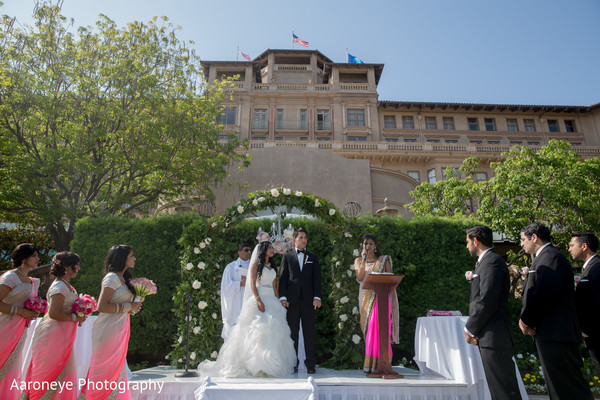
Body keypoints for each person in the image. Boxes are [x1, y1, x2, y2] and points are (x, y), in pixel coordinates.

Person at [198, 241, 295, 377]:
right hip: (260, 299)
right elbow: (252, 284)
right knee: (258, 332)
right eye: (270, 248)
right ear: (264, 250)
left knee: (274, 333)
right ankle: (255, 365)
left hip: (272, 300)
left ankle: (270, 366)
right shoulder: (255, 264)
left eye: (273, 248)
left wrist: (279, 300)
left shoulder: (272, 266)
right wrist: (258, 300)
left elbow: (274, 287)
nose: (273, 250)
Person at [519, 223, 592, 400]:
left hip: (558, 335)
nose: (521, 244)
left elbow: (542, 295)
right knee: (558, 387)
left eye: (523, 240)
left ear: (534, 238)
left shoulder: (551, 258)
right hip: (551, 334)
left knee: (569, 388)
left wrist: (526, 321)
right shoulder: (544, 257)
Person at [463, 226, 521, 399]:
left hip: (495, 336)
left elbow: (487, 300)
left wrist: (470, 329)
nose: (467, 247)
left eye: (467, 242)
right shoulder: (486, 262)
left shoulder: (492, 262)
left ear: (476, 241)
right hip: (490, 336)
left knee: (504, 390)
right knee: (497, 390)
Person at [78, 245, 142, 400]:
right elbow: (102, 306)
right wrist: (128, 306)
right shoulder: (111, 278)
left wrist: (132, 307)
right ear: (123, 258)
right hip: (107, 330)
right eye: (131, 256)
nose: (134, 258)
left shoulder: (123, 278)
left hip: (119, 329)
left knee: (115, 369)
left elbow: (120, 305)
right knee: (104, 369)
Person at [22, 251, 87, 400]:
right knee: (49, 374)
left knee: (65, 374)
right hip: (52, 337)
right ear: (65, 266)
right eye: (75, 265)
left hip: (62, 337)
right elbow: (54, 313)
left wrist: (81, 313)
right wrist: (75, 317)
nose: (78, 268)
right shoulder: (59, 286)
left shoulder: (65, 285)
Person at [353, 234, 399, 374]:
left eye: (371, 243)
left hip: (382, 299)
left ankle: (384, 364)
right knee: (370, 330)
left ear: (376, 246)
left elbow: (390, 280)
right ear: (362, 246)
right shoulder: (358, 260)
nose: (368, 246)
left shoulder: (384, 260)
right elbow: (360, 277)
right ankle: (371, 365)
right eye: (365, 244)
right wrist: (363, 260)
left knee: (381, 328)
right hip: (366, 299)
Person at [0, 243, 41, 400]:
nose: (37, 258)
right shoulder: (10, 277)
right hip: (4, 328)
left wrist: (33, 310)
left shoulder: (31, 280)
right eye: (34, 256)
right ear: (23, 259)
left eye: (37, 255)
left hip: (20, 330)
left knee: (14, 366)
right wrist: (19, 311)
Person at [279, 228, 321, 374]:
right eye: (301, 237)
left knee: (309, 333)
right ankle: (293, 363)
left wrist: (317, 297)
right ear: (294, 240)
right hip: (292, 301)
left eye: (305, 237)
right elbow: (283, 278)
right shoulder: (288, 256)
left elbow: (317, 279)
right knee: (293, 333)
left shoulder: (313, 257)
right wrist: (283, 297)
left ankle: (310, 364)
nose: (304, 240)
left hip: (309, 301)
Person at [569, 231, 600, 376]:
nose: (569, 249)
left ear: (584, 246)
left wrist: (585, 329)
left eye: (572, 245)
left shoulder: (596, 268)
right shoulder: (589, 267)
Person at [220, 242, 252, 339]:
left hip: (249, 300)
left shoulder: (254, 266)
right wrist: (239, 284)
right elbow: (225, 287)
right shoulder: (231, 267)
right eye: (246, 250)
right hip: (235, 303)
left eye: (250, 250)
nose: (249, 252)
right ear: (239, 252)